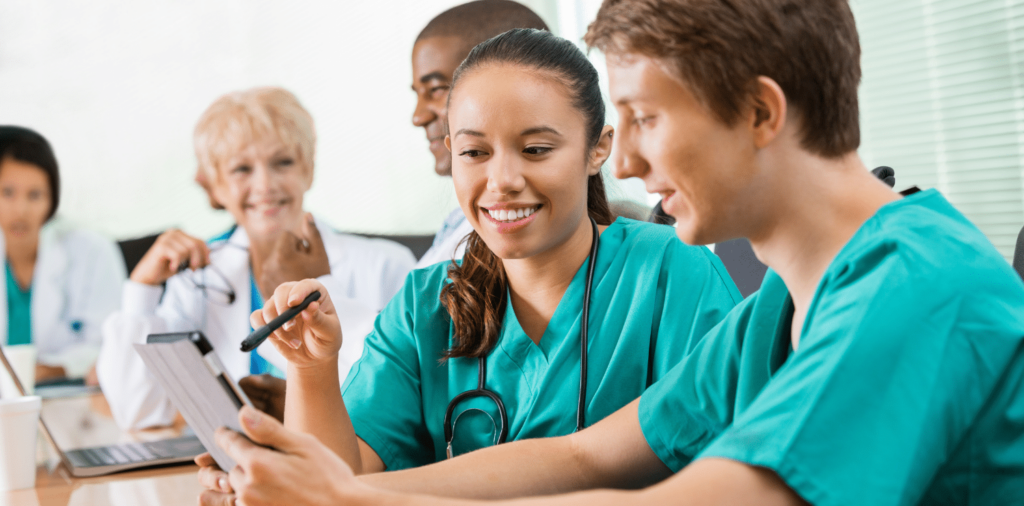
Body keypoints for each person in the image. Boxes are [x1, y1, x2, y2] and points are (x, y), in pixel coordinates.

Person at [200, 1, 1024, 504]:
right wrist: (336, 490)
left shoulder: (919, 283)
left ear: (761, 113)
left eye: (646, 119)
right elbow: (586, 454)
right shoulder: (778, 307)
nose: (623, 163)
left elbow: (727, 495)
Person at [194, 28, 743, 504]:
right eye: (475, 153)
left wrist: (321, 493)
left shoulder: (675, 275)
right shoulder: (424, 306)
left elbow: (727, 469)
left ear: (597, 149)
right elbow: (338, 480)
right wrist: (312, 369)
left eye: (535, 150)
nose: (501, 180)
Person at [97, 87, 417, 430]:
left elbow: (405, 405)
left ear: (308, 169)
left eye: (283, 162)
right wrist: (141, 289)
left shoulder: (387, 266)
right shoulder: (200, 278)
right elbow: (138, 412)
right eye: (241, 169)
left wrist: (302, 406)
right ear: (215, 186)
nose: (265, 185)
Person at [411, 0, 548, 268]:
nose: (418, 117)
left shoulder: (514, 232)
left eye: (436, 89)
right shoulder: (459, 224)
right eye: (417, 93)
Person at [0, 126, 124, 384]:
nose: (20, 210)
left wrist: (49, 370)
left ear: (52, 198)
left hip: (73, 404)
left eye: (35, 195)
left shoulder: (92, 251)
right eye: (7, 193)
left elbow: (113, 344)